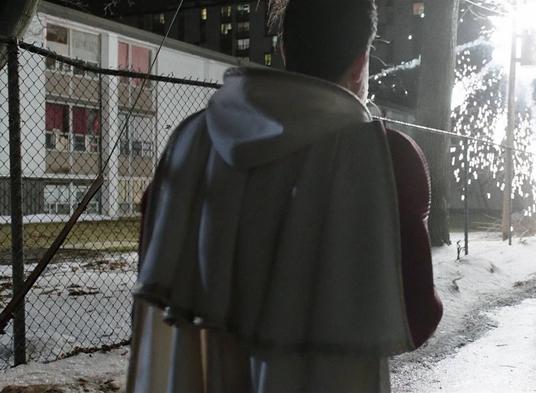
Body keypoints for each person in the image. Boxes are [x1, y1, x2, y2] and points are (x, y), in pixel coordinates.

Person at [125, 1, 443, 391]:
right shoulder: (386, 157)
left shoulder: (189, 142)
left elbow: (155, 289)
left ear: (284, 49)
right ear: (362, 63)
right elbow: (418, 317)